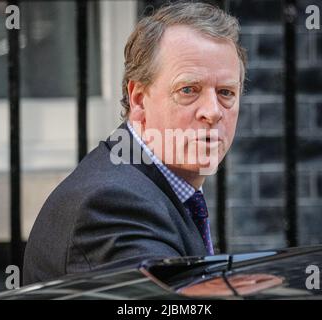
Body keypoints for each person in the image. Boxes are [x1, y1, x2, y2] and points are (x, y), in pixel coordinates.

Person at [23, 2, 246, 285]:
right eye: (188, 90)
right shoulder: (112, 203)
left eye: (226, 92)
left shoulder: (150, 183)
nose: (213, 111)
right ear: (139, 99)